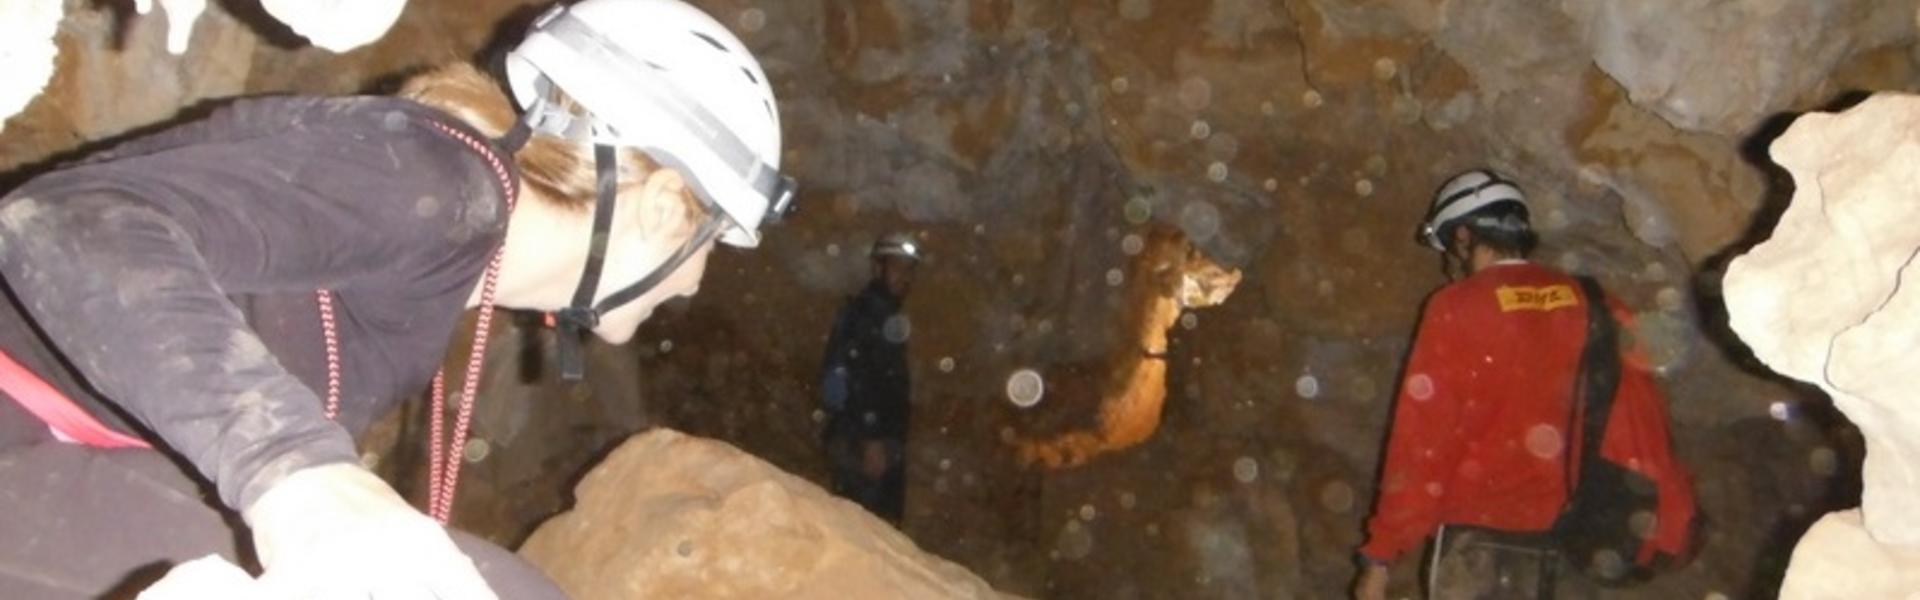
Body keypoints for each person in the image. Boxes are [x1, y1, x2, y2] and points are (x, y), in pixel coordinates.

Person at [0, 0, 792, 597]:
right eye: (709, 247)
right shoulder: (442, 184)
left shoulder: (449, 253)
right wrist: (299, 476)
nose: (694, 282)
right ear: (659, 209)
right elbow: (64, 224)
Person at [1352, 170, 1696, 599]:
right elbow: (1645, 419)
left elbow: (1421, 441)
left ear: (1463, 236)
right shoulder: (1597, 302)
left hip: (1480, 543)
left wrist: (1381, 555)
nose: (1447, 267)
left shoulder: (1457, 307)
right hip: (1579, 542)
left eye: (1447, 250)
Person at [819, 232, 920, 524]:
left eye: (910, 269)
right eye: (898, 267)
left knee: (875, 531)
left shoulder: (885, 313)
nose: (905, 277)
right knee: (869, 528)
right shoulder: (867, 314)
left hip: (873, 439)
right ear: (878, 268)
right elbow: (859, 376)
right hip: (863, 442)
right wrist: (872, 441)